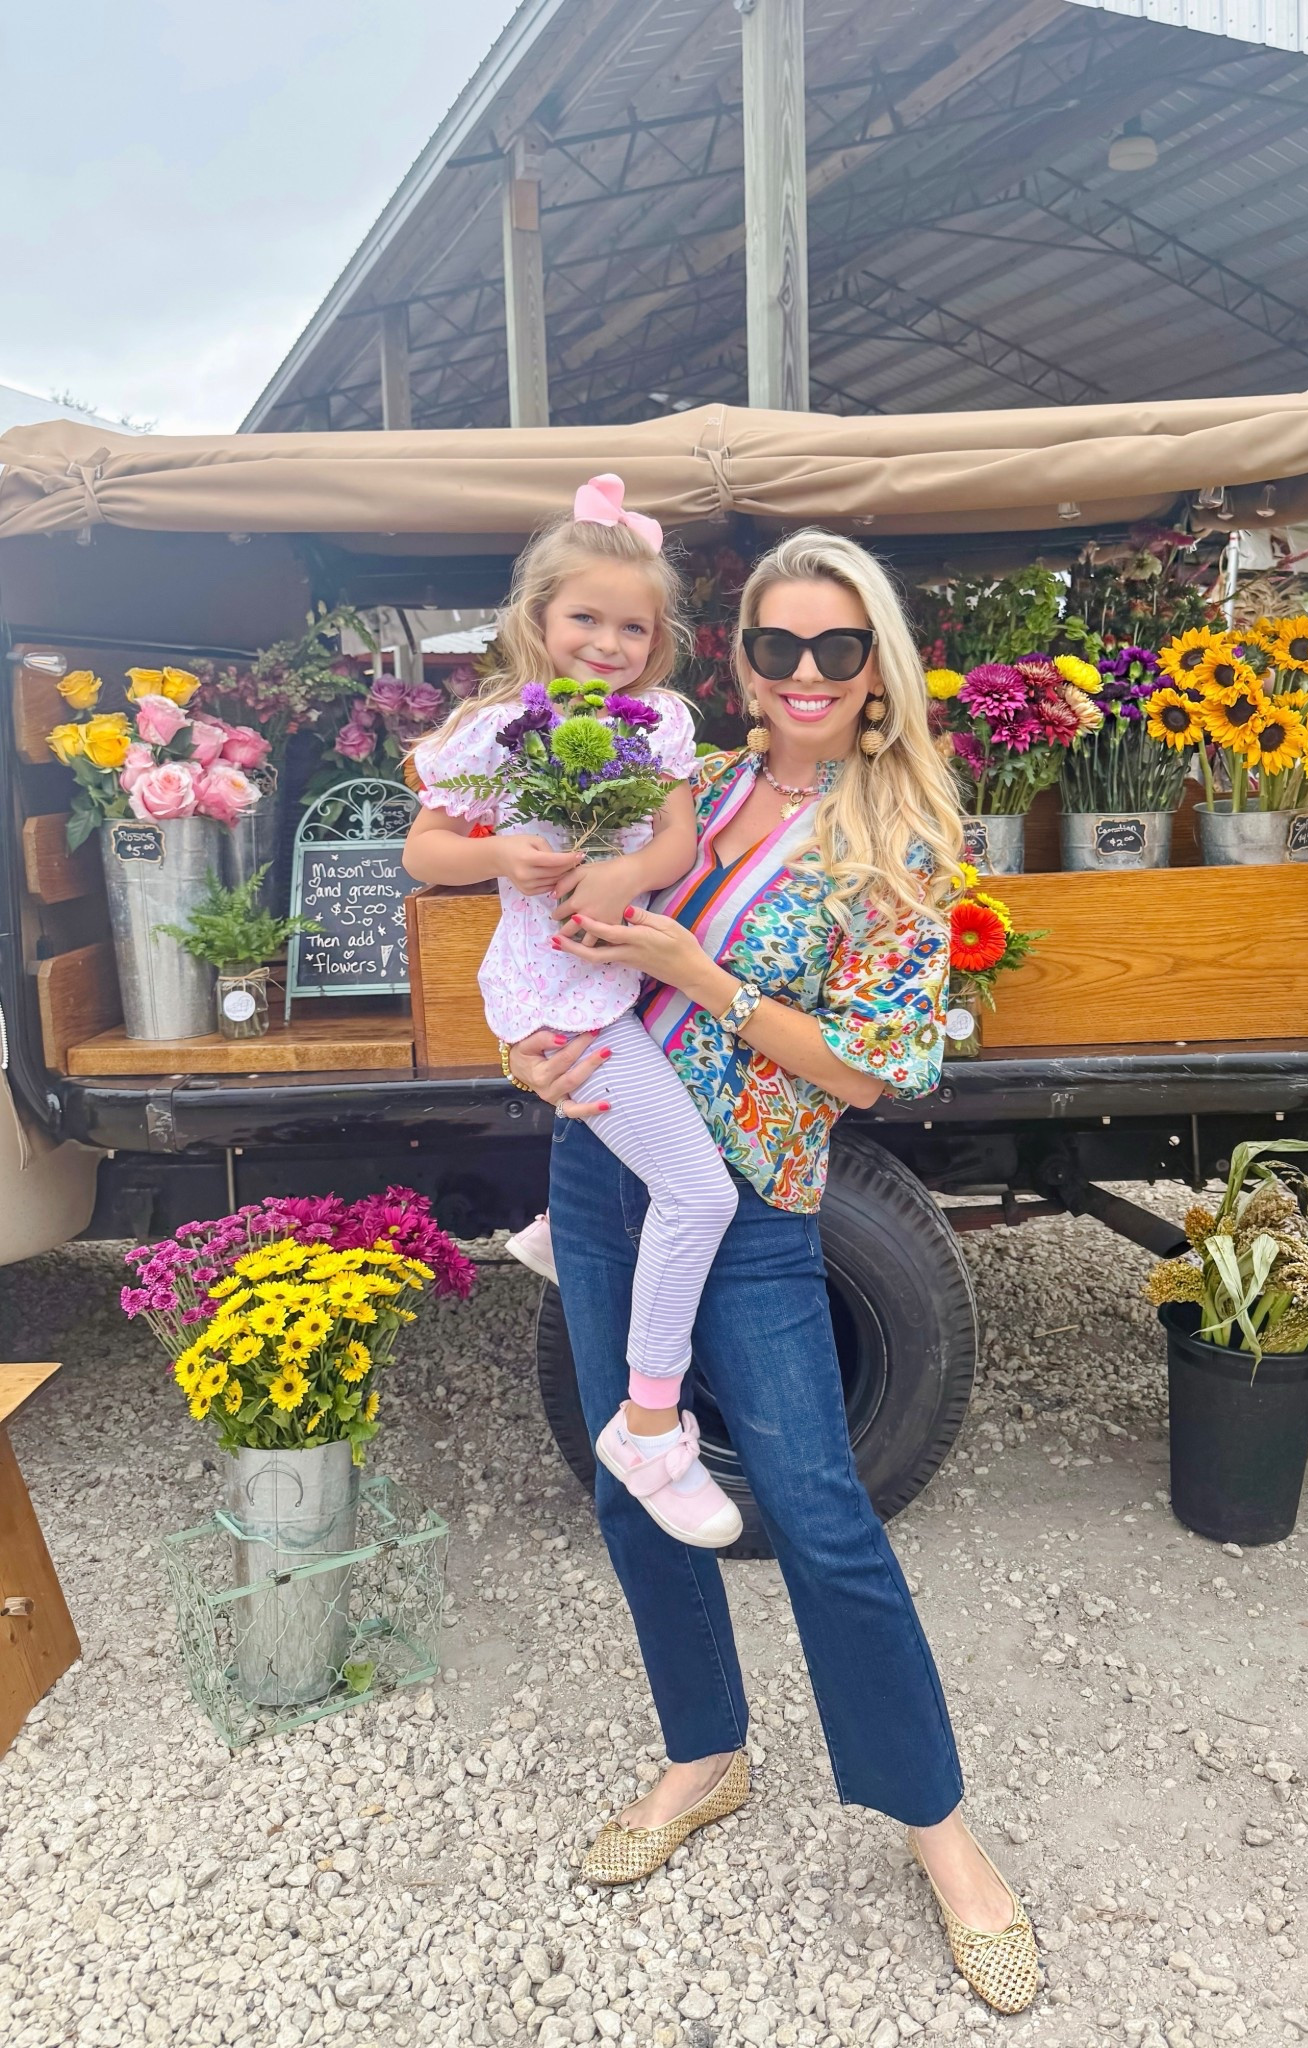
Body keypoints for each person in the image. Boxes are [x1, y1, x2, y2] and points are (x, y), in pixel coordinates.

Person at [503, 530, 1041, 2016]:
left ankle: (939, 1833)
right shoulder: (696, 783)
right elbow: (561, 947)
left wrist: (701, 977)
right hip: (601, 1170)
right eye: (777, 647)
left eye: (836, 649)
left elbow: (874, 1072)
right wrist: (529, 1051)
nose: (804, 675)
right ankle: (704, 1750)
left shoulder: (903, 837)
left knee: (817, 1509)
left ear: (878, 672)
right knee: (630, 1475)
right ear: (737, 663)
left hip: (746, 1204)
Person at [402, 475, 743, 1548]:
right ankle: (648, 1423)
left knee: (675, 1122)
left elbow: (678, 845)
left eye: (631, 625)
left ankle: (565, 1232)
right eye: (584, 617)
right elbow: (421, 849)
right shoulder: (497, 725)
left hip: (621, 976)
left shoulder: (663, 723)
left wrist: (622, 869)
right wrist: (496, 850)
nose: (607, 642)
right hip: (555, 995)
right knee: (699, 1197)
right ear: (538, 619)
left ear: (660, 640)